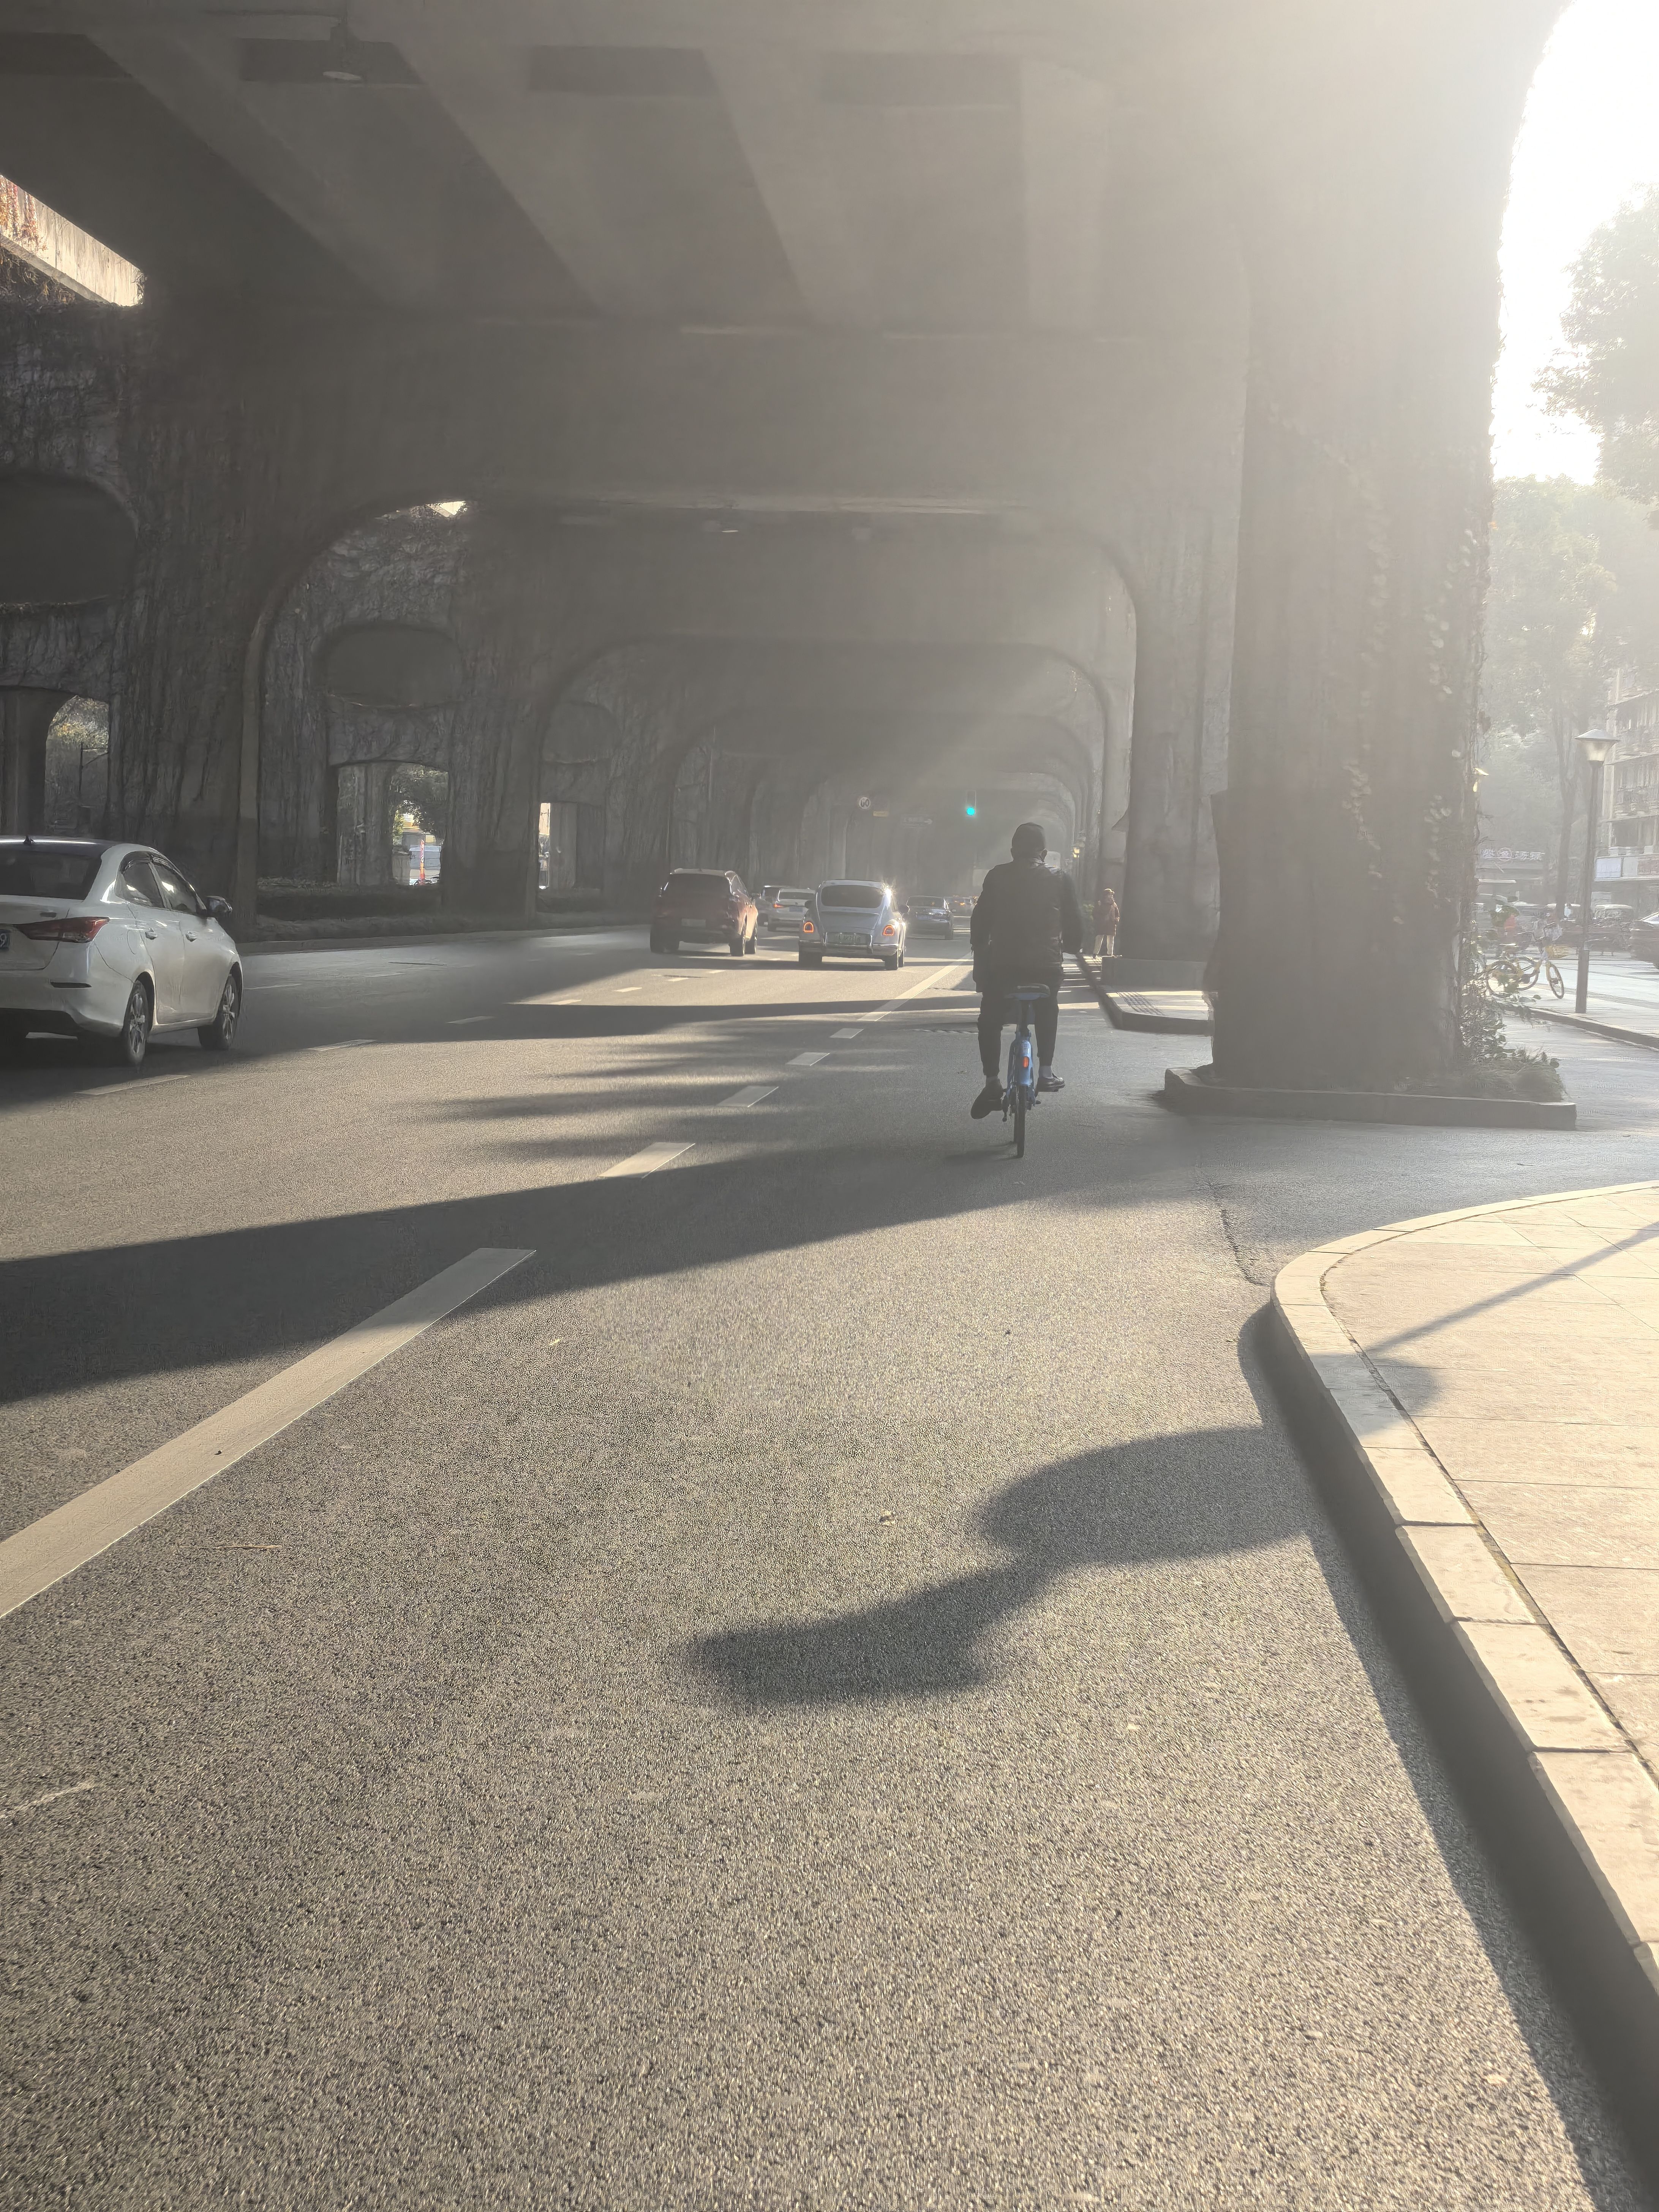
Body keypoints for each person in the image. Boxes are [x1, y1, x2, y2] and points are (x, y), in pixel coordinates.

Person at [969, 822, 1085, 1117]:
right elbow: (1075, 921)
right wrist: (1072, 945)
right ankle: (1045, 1071)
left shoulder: (996, 876)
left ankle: (992, 1081)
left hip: (1003, 968)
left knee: (990, 1019)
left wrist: (980, 946)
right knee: (1048, 1008)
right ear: (1044, 853)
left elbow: (980, 921)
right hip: (1046, 967)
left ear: (1012, 851)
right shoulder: (1061, 878)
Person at [1092, 884, 1120, 959]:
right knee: (1099, 938)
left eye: (1112, 895)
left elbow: (1117, 914)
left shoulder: (1114, 904)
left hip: (1111, 924)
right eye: (1110, 894)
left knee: (1111, 940)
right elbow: (1095, 913)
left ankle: (1110, 955)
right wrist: (1099, 920)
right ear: (1105, 896)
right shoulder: (1100, 903)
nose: (1111, 896)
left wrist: (1116, 920)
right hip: (1102, 924)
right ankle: (1095, 953)